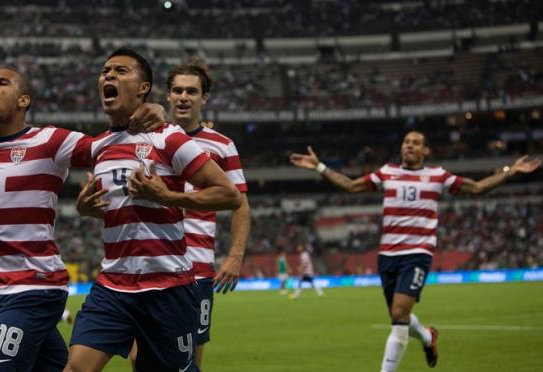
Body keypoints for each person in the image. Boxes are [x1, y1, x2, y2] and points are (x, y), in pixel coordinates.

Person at [0, 26, 165, 372]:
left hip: (33, 287)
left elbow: (106, 145)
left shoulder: (49, 141)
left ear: (24, 101)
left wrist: (150, 113)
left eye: (2, 83)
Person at [290, 131, 540, 372]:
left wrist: (510, 172)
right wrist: (319, 167)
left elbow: (476, 188)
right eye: (406, 142)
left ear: (426, 150)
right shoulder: (387, 172)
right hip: (387, 255)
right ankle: (428, 337)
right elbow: (351, 186)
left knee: (399, 313)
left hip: (418, 253)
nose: (409, 146)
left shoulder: (437, 176)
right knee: (400, 315)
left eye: (416, 143)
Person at [65, 48, 242, 372]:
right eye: (106, 71)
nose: (109, 76)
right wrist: (88, 210)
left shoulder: (169, 138)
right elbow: (122, 209)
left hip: (167, 287)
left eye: (120, 71)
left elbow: (228, 195)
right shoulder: (99, 146)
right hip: (113, 285)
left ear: (144, 87)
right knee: (77, 367)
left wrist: (168, 197)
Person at [165, 59, 251, 370]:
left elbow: (240, 204)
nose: (183, 96)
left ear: (205, 98)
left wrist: (235, 256)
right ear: (168, 96)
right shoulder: (149, 139)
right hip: (153, 267)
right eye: (177, 90)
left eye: (191, 91)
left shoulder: (222, 146)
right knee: (141, 356)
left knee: (191, 359)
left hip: (197, 270)